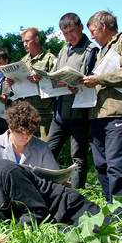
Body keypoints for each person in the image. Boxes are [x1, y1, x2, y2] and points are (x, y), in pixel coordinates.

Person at [0, 135, 99, 226]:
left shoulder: (6, 172)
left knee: (116, 231)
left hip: (71, 209)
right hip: (52, 225)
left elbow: (37, 212)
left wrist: (9, 235)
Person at [83, 11, 122, 202]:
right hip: (97, 114)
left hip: (118, 113)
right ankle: (110, 207)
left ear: (103, 26)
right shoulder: (98, 51)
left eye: (93, 31)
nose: (91, 36)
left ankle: (121, 212)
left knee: (117, 165)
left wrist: (99, 78)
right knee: (101, 164)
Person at [46, 13, 98, 189]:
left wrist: (79, 86)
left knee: (78, 156)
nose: (70, 36)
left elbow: (95, 81)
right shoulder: (63, 50)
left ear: (81, 27)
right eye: (65, 33)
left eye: (72, 31)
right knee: (47, 151)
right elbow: (54, 75)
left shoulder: (92, 50)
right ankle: (50, 188)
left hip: (80, 113)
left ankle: (77, 194)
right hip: (60, 112)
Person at [11, 27, 56, 140]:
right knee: (27, 144)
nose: (25, 44)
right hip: (26, 110)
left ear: (36, 39)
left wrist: (42, 78)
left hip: (44, 111)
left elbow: (58, 81)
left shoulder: (50, 59)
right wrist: (13, 81)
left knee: (45, 146)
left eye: (27, 41)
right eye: (23, 42)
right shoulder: (23, 61)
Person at [0, 101, 58, 169]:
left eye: (30, 132)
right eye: (20, 132)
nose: (25, 137)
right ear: (10, 127)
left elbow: (54, 177)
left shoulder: (43, 148)